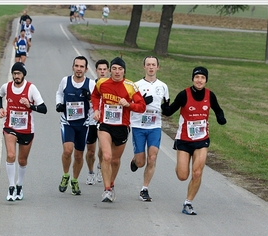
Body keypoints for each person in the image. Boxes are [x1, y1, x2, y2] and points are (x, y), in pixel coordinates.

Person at [161, 66, 227, 215]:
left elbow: (218, 109)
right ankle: (180, 166)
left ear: (206, 80)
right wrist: (164, 107)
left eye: (202, 78)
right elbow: (170, 111)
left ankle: (188, 202)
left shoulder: (210, 95)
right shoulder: (184, 94)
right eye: (197, 77)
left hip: (202, 139)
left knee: (197, 172)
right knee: (183, 175)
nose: (199, 80)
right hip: (184, 139)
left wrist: (221, 118)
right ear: (193, 79)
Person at [91, 57, 146, 202]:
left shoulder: (130, 86)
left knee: (115, 160)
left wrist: (129, 105)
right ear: (110, 70)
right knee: (107, 156)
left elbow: (142, 106)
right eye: (114, 68)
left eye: (120, 69)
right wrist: (96, 110)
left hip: (122, 127)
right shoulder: (102, 83)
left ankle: (112, 183)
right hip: (105, 125)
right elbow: (95, 96)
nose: (117, 72)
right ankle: (107, 189)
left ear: (124, 71)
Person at [0, 62, 47, 201]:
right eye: (14, 73)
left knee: (22, 160)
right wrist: (0, 108)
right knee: (11, 155)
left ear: (23, 74)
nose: (16, 76)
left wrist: (29, 105)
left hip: (26, 129)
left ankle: (19, 185)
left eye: (19, 73)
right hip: (10, 127)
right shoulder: (6, 87)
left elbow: (44, 108)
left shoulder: (31, 88)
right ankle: (11, 187)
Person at [130, 56, 170, 202]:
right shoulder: (136, 85)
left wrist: (166, 109)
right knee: (141, 162)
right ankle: (135, 160)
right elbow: (129, 104)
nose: (151, 67)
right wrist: (142, 103)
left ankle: (144, 189)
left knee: (152, 157)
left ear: (158, 67)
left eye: (154, 65)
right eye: (148, 65)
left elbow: (166, 104)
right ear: (144, 67)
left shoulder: (163, 86)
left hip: (155, 126)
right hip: (138, 126)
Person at [56, 56, 96, 196]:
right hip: (67, 122)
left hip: (83, 123)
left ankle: (74, 180)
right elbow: (59, 94)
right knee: (67, 151)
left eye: (81, 67)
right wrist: (59, 104)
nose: (79, 69)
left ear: (86, 69)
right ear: (73, 67)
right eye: (76, 66)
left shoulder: (91, 84)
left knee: (79, 156)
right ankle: (65, 175)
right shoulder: (65, 81)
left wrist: (89, 98)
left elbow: (97, 103)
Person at [85, 59, 109, 185]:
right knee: (90, 151)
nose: (102, 72)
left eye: (105, 69)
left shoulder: (111, 86)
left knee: (102, 150)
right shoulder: (90, 85)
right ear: (96, 71)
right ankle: (90, 171)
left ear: (108, 71)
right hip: (91, 121)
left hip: (105, 122)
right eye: (100, 69)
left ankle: (101, 167)